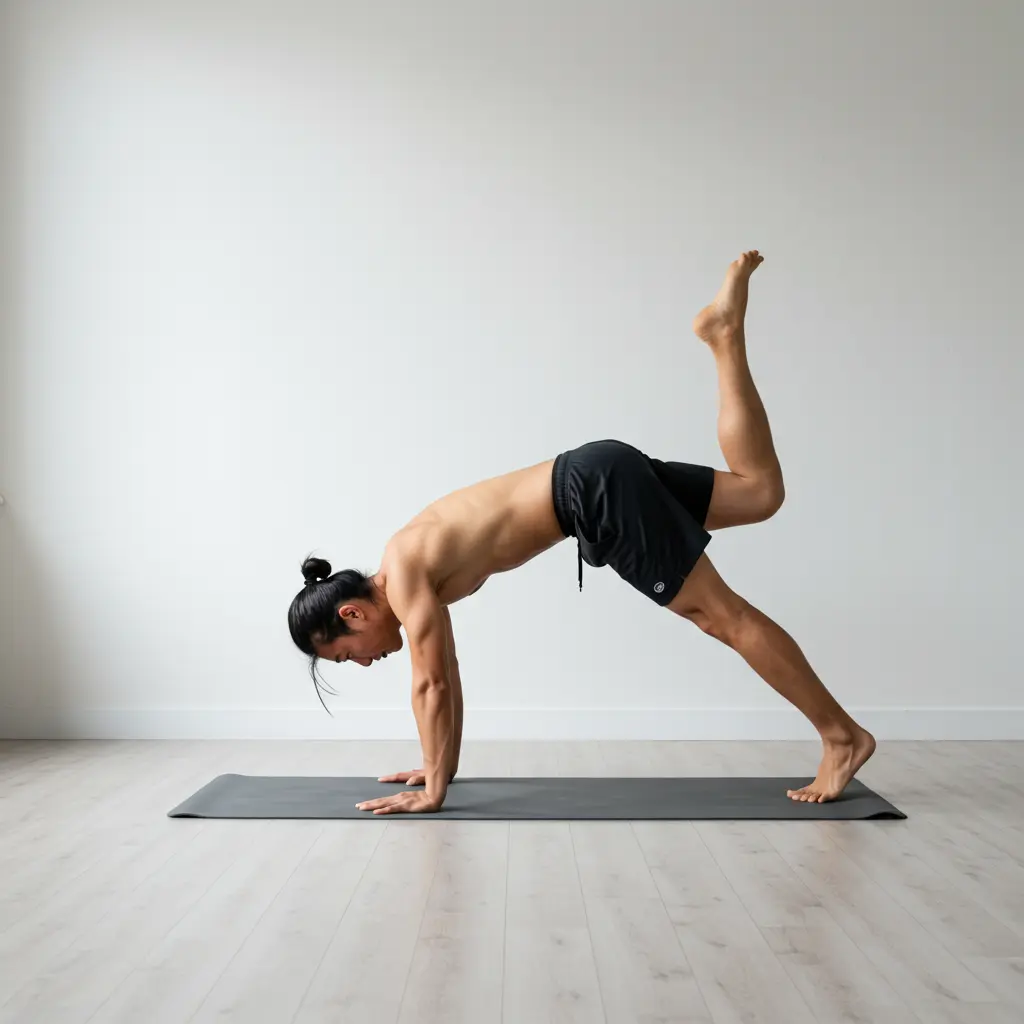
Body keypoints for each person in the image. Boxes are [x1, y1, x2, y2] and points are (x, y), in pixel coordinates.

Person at [287, 251, 875, 815]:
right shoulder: (410, 555)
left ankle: (841, 736)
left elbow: (432, 683)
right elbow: (448, 677)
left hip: (592, 495)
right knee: (758, 492)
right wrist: (437, 766)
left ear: (352, 616)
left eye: (346, 658)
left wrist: (433, 789)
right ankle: (725, 339)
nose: (363, 665)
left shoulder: (406, 570)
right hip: (596, 468)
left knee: (722, 616)